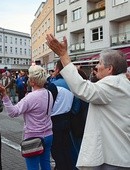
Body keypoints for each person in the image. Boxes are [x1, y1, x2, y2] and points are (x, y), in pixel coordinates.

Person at [46, 34, 130, 169]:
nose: (96, 67)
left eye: (100, 63)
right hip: (119, 154)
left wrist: (63, 55)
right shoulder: (123, 82)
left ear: (110, 69)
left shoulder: (113, 83)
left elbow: (82, 88)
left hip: (114, 158)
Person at [0, 65, 53, 170]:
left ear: (32, 82)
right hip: (48, 134)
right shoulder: (49, 93)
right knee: (46, 164)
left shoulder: (30, 97)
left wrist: (4, 95)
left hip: (33, 136)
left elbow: (13, 112)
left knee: (33, 167)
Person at [47, 60, 75, 170]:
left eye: (54, 68)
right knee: (66, 148)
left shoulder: (54, 85)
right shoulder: (72, 84)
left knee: (56, 149)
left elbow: (48, 105)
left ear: (58, 70)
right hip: (68, 119)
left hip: (55, 121)